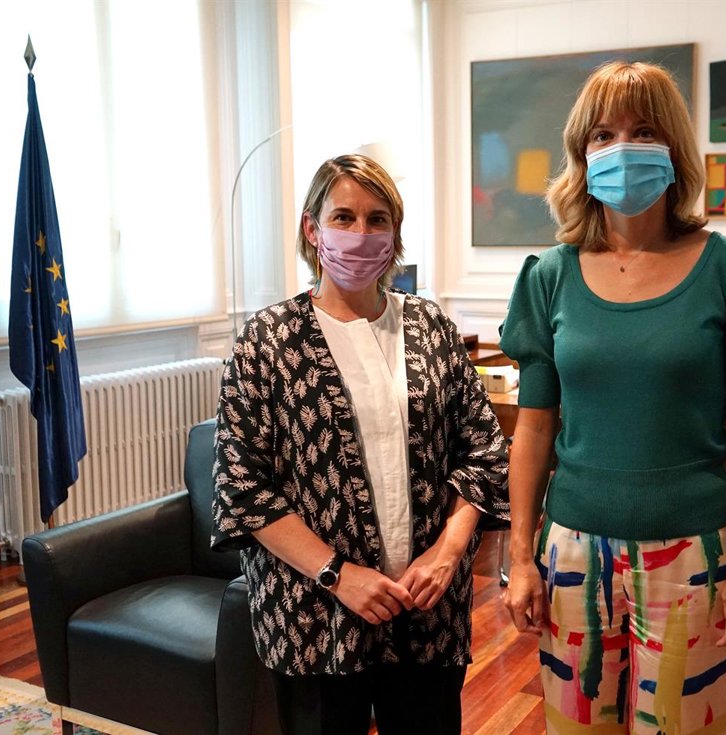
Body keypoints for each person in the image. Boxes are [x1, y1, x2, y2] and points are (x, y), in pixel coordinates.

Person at [499, 61, 726, 734]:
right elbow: (534, 427)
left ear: (674, 148)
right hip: (572, 553)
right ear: (582, 153)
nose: (622, 148)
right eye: (603, 134)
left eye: (643, 131)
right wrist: (520, 554)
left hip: (697, 555)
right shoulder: (548, 276)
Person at [211, 154, 509, 735]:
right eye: (343, 217)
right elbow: (242, 487)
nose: (360, 233)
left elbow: (483, 451)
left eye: (378, 219)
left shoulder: (430, 328)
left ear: (395, 234)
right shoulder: (268, 341)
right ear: (312, 228)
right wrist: (338, 574)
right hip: (314, 616)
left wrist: (446, 555)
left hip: (427, 610)